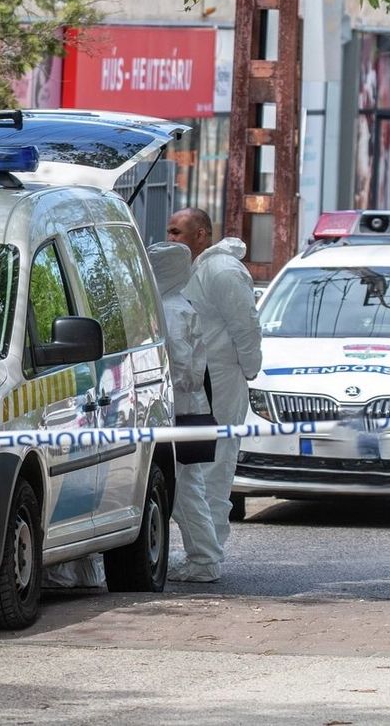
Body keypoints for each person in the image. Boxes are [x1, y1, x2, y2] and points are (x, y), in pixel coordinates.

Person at [166, 208, 262, 570]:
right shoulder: (196, 270)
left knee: (215, 468)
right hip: (201, 383)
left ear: (202, 234)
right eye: (170, 232)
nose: (171, 238)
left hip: (222, 381)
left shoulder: (221, 271)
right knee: (197, 468)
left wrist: (249, 370)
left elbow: (246, 326)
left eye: (177, 232)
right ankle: (203, 551)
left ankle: (208, 556)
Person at [148, 241, 221, 582]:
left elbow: (178, 365)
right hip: (187, 408)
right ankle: (204, 555)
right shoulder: (179, 304)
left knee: (184, 491)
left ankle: (204, 560)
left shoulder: (169, 310)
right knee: (189, 486)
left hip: (176, 409)